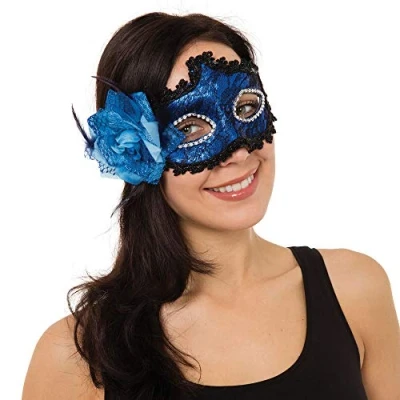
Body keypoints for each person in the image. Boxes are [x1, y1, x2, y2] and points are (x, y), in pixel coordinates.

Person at [22, 12, 400, 400]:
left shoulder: (356, 290)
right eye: (189, 127)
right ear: (136, 152)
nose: (238, 151)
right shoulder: (76, 356)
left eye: (246, 108)